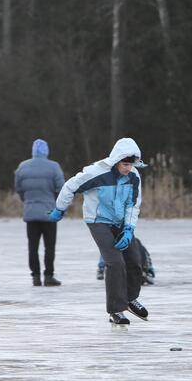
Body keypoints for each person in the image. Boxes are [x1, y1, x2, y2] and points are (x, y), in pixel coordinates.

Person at [49, 137, 146, 325]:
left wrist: (129, 228)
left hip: (120, 222)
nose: (128, 168)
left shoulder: (134, 176)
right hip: (98, 221)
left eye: (131, 164)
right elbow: (71, 186)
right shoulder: (96, 173)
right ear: (116, 160)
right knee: (115, 262)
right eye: (125, 164)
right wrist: (60, 208)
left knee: (135, 261)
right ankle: (116, 310)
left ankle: (130, 298)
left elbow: (133, 204)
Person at [15, 139, 65, 286]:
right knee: (49, 246)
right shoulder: (54, 167)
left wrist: (27, 201)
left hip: (31, 213)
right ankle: (49, 276)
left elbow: (19, 189)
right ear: (46, 151)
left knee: (33, 247)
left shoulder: (22, 167)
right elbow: (61, 189)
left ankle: (35, 276)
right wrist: (57, 205)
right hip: (50, 212)